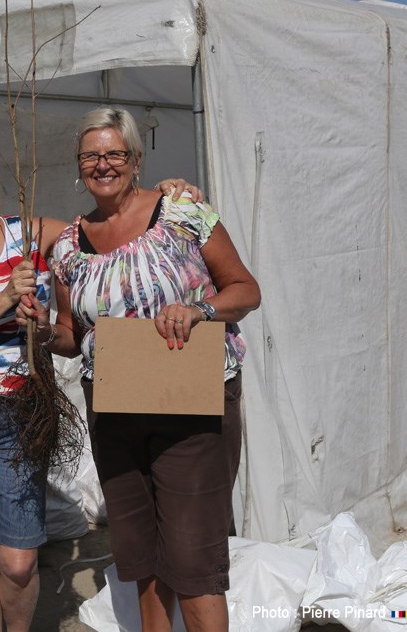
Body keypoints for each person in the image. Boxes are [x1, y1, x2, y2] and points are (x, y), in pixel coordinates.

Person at [0, 136, 203, 632]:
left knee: (18, 560)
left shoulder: (30, 233)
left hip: (22, 409)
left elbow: (107, 227)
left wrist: (160, 196)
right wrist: (7, 295)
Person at [17, 108, 261, 631]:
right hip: (116, 411)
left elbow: (245, 290)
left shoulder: (181, 212)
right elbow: (72, 335)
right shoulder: (68, 247)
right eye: (91, 155)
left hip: (192, 403)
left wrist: (200, 310)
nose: (102, 164)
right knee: (141, 556)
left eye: (114, 153)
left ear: (135, 159)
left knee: (193, 560)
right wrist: (42, 331)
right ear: (78, 165)